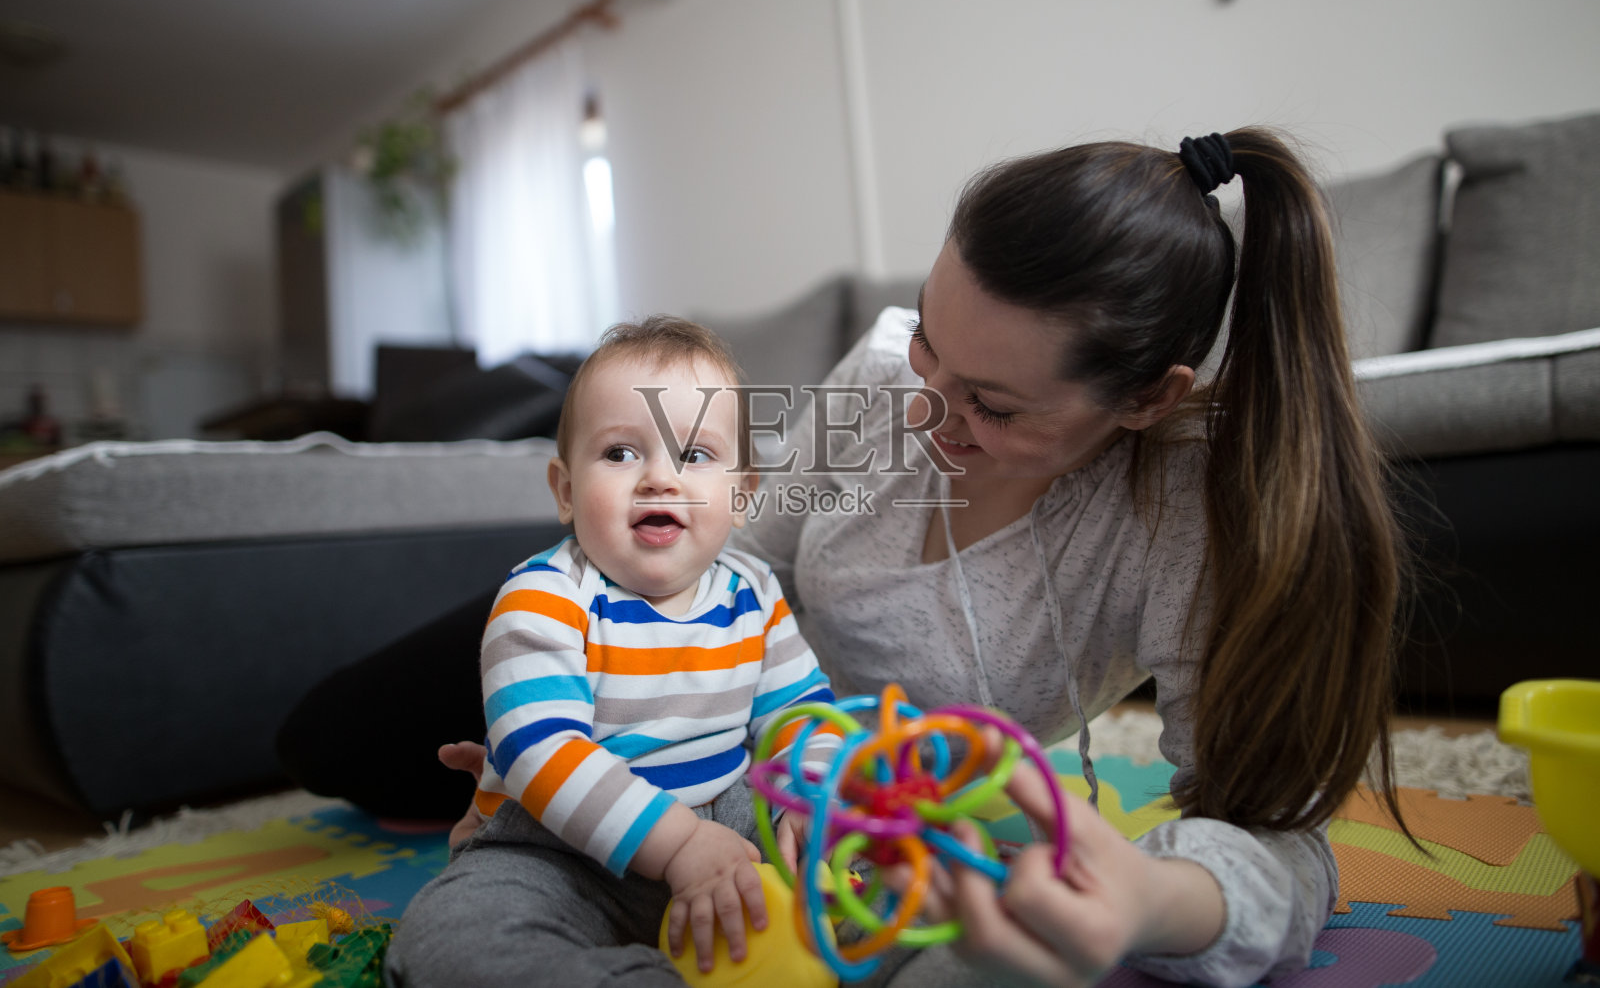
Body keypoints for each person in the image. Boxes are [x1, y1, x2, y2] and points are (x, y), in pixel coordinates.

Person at [280, 128, 1407, 988]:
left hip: (819, 806)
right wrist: (582, 731)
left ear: (1144, 400)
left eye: (992, 403)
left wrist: (1153, 898)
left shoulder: (1182, 523)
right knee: (332, 743)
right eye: (928, 336)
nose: (927, 406)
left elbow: (1284, 839)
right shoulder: (883, 386)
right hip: (653, 676)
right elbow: (724, 570)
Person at [383, 317, 838, 986]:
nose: (658, 477)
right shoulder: (543, 596)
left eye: (696, 455)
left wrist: (808, 796)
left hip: (734, 829)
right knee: (446, 938)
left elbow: (800, 709)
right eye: (622, 453)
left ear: (742, 495)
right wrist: (680, 843)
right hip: (563, 852)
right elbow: (543, 751)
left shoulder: (754, 590)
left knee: (873, 875)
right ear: (566, 491)